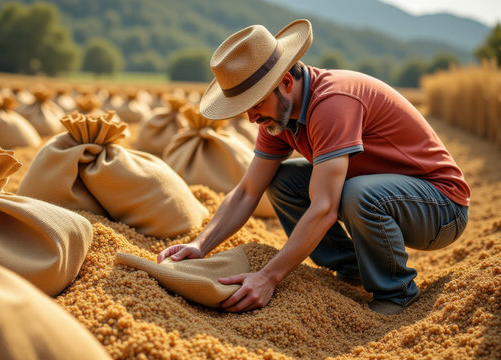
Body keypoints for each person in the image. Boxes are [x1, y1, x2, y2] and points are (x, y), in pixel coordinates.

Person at [157, 19, 470, 315]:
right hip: (393, 197)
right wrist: (200, 245)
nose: (252, 119)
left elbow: (324, 208)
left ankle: (397, 292)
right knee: (282, 180)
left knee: (356, 193)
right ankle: (352, 269)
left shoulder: (332, 103)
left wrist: (269, 277)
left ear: (287, 82)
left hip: (441, 208)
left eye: (256, 104)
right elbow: (247, 192)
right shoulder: (279, 117)